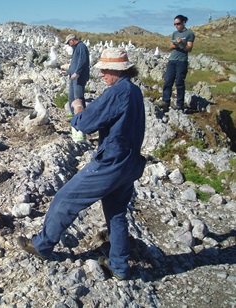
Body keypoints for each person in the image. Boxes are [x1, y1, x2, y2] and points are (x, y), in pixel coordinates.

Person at [17, 48, 146, 280]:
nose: (102, 74)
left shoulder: (117, 92)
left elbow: (84, 124)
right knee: (116, 213)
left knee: (65, 199)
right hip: (131, 162)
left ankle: (42, 246)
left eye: (106, 70)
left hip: (112, 163)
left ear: (118, 71)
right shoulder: (135, 91)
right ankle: (119, 265)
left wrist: (77, 106)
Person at [158, 15, 195, 112]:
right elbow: (169, 47)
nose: (176, 26)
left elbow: (189, 48)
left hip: (182, 61)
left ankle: (179, 104)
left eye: (178, 23)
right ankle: (165, 102)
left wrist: (181, 44)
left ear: (184, 22)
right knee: (168, 81)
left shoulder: (189, 34)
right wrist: (174, 45)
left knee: (179, 82)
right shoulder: (174, 33)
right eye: (175, 24)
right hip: (172, 60)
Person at [64, 34, 90, 115]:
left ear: (72, 40)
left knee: (78, 96)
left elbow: (82, 61)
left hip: (79, 77)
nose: (68, 45)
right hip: (74, 76)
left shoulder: (81, 46)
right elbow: (74, 63)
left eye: (68, 42)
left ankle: (81, 114)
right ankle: (73, 113)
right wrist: (68, 72)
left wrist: (77, 72)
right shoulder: (76, 48)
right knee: (71, 96)